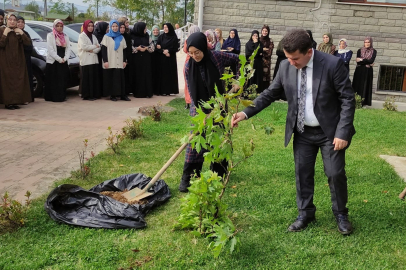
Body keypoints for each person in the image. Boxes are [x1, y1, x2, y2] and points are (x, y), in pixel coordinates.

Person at [232, 29, 356, 235]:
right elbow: (270, 93)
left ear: (309, 51)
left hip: (330, 132)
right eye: (288, 58)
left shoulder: (332, 65)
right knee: (302, 173)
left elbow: (347, 99)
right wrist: (245, 113)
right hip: (302, 131)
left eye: (295, 58)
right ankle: (305, 213)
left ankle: (341, 213)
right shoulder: (284, 66)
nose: (291, 62)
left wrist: (342, 133)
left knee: (335, 173)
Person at [179, 32, 240, 192]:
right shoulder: (188, 66)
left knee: (219, 140)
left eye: (197, 52)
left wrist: (238, 81)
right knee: (195, 143)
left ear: (203, 48)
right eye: (191, 53)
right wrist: (204, 114)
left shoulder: (216, 57)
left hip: (219, 105)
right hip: (198, 109)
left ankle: (218, 175)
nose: (194, 56)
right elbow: (192, 94)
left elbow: (238, 60)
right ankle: (190, 179)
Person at [0, 13, 32, 109]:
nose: (12, 22)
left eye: (14, 20)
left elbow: (28, 43)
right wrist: (5, 33)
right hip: (6, 61)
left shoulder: (18, 31)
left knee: (17, 81)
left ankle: (16, 101)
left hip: (18, 61)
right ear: (7, 20)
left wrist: (21, 33)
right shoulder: (2, 30)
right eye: (10, 19)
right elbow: (1, 44)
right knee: (7, 81)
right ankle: (8, 102)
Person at [101, 20, 129, 101]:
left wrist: (124, 61)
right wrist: (105, 61)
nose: (115, 28)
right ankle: (113, 95)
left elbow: (124, 50)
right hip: (111, 60)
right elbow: (103, 50)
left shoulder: (121, 37)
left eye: (116, 26)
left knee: (120, 78)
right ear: (110, 27)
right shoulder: (106, 37)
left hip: (119, 60)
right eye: (113, 26)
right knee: (112, 78)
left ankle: (122, 95)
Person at [44, 19, 70, 102]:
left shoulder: (65, 36)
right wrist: (58, 59)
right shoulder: (50, 35)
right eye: (57, 26)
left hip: (63, 60)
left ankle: (61, 96)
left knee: (62, 79)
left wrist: (65, 58)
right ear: (54, 26)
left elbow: (68, 48)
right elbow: (50, 49)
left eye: (61, 26)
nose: (59, 28)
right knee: (53, 80)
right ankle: (52, 97)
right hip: (53, 61)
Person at [78, 20, 101, 101]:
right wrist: (94, 46)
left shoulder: (93, 36)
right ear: (85, 26)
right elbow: (84, 47)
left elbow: (99, 48)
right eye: (89, 26)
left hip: (94, 59)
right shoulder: (82, 36)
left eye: (92, 26)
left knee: (93, 78)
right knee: (87, 78)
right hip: (86, 60)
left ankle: (93, 94)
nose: (91, 28)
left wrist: (93, 49)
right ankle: (87, 95)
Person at [130, 22, 154, 98]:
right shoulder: (132, 36)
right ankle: (138, 93)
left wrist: (146, 48)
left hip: (145, 58)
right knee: (137, 75)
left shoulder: (147, 36)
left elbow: (152, 47)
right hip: (136, 59)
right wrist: (137, 48)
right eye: (144, 28)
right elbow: (129, 47)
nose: (146, 30)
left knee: (146, 75)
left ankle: (147, 92)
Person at [156, 23, 179, 96]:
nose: (165, 29)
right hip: (162, 59)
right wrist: (163, 51)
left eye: (166, 27)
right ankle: (163, 91)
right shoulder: (161, 37)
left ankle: (170, 90)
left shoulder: (174, 37)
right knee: (163, 74)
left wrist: (169, 51)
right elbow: (157, 47)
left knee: (170, 74)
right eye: (164, 27)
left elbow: (176, 48)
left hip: (170, 58)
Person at [352, 37, 377, 107]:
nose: (367, 44)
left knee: (366, 85)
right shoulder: (359, 50)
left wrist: (361, 60)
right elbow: (358, 62)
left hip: (368, 71)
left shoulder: (374, 51)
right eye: (365, 42)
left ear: (371, 43)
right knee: (357, 85)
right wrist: (367, 61)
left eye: (368, 42)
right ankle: (355, 101)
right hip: (359, 70)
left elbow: (371, 60)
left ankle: (364, 102)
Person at [17, 16, 34, 102]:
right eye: (18, 21)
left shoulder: (26, 34)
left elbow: (30, 47)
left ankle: (28, 97)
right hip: (17, 61)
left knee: (27, 78)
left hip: (26, 58)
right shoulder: (12, 33)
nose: (20, 24)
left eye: (22, 22)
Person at [183, 25, 200, 109]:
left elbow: (184, 50)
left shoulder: (187, 40)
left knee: (187, 82)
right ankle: (195, 100)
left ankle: (187, 102)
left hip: (188, 61)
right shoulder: (200, 39)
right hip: (197, 61)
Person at [94, 22, 109, 96]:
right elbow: (96, 46)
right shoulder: (96, 36)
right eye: (106, 28)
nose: (108, 29)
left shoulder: (106, 36)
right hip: (97, 57)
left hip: (104, 57)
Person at [119, 18, 133, 96]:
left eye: (124, 27)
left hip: (126, 58)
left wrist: (127, 59)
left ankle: (126, 91)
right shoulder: (116, 36)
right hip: (117, 58)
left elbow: (128, 48)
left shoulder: (127, 36)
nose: (122, 29)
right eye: (121, 27)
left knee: (126, 75)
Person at [260, 25, 274, 92]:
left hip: (266, 63)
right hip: (259, 62)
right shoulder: (259, 39)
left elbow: (269, 53)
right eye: (263, 31)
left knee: (265, 78)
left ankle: (265, 92)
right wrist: (263, 49)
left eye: (266, 31)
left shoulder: (270, 41)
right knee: (259, 76)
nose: (264, 32)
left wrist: (261, 51)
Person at [150, 25, 161, 96]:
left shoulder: (161, 38)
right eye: (154, 30)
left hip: (159, 59)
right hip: (151, 59)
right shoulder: (149, 38)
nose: (155, 32)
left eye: (157, 30)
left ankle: (157, 90)